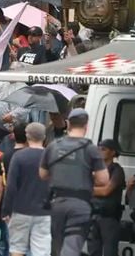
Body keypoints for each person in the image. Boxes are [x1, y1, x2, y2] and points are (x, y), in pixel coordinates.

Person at [39, 108, 109, 256]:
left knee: (57, 248)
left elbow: (43, 174)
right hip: (80, 205)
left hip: (56, 204)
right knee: (71, 248)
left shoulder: (53, 146)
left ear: (68, 124)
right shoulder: (91, 149)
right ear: (86, 126)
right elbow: (103, 180)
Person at [2, 123, 51, 256]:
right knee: (41, 251)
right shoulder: (51, 157)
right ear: (44, 137)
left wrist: (6, 210)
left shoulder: (19, 157)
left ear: (27, 137)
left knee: (17, 249)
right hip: (44, 212)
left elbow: (11, 186)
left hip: (20, 210)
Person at [0, 122, 28, 256]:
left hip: (8, 208)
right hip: (29, 207)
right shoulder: (34, 156)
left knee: (9, 245)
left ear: (12, 136)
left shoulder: (4, 158)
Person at [88, 139, 126, 256]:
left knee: (110, 251)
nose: (99, 151)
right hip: (93, 214)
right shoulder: (94, 169)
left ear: (113, 152)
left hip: (109, 217)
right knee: (93, 250)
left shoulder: (117, 170)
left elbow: (106, 191)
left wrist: (89, 190)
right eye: (98, 148)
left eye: (103, 149)